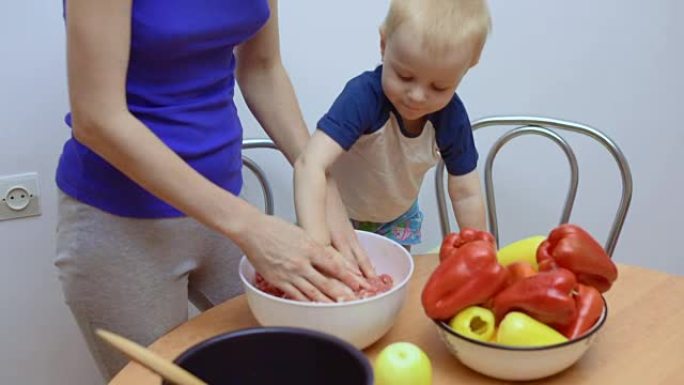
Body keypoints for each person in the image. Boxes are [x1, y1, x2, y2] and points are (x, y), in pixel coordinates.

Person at [54, 0, 370, 380]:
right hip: (121, 223)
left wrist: (318, 177)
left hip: (225, 203)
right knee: (158, 379)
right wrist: (252, 227)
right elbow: (97, 119)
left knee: (286, 362)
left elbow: (262, 67)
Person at [294, 0, 490, 252]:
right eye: (404, 76)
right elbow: (310, 163)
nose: (417, 96)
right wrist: (317, 241)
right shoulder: (362, 97)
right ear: (384, 45)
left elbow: (466, 192)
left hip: (398, 219)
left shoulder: (451, 116)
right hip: (339, 215)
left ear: (467, 69)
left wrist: (480, 252)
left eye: (439, 87)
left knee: (391, 284)